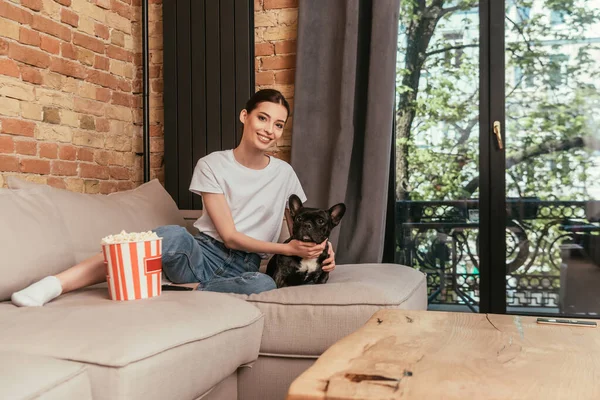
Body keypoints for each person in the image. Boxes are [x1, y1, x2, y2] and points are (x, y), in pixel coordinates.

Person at [11, 89, 336, 307]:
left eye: (278, 124)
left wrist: (319, 248)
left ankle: (172, 289)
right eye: (262, 118)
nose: (269, 130)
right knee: (173, 235)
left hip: (245, 268)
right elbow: (230, 237)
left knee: (264, 286)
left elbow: (292, 230)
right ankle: (55, 284)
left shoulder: (284, 174)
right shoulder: (212, 165)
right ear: (244, 117)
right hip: (202, 254)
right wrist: (287, 248)